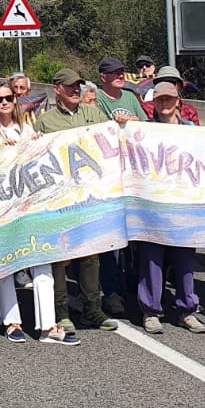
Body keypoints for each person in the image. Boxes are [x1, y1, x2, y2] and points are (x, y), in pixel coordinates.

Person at [0, 81, 77, 345]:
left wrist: (36, 143)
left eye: (8, 98)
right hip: (3, 208)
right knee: (6, 266)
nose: (3, 103)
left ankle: (48, 325)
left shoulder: (27, 128)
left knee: (41, 261)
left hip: (32, 206)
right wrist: (0, 150)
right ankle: (12, 321)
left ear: (15, 100)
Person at [35, 67, 116, 332]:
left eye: (78, 86)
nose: (75, 90)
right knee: (61, 254)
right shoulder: (46, 121)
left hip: (90, 196)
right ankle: (61, 310)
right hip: (60, 199)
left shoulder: (93, 114)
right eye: (70, 86)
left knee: (91, 254)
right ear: (57, 89)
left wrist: (122, 125)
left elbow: (112, 138)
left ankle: (93, 307)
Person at [138, 75, 205, 335]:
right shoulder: (144, 130)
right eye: (159, 99)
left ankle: (187, 310)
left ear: (178, 101)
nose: (164, 103)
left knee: (185, 260)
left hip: (184, 206)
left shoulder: (192, 130)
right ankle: (151, 311)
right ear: (154, 103)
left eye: (168, 98)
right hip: (152, 207)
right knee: (152, 261)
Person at [95, 57, 145, 124]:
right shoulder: (95, 97)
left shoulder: (130, 96)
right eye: (116, 73)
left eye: (122, 72)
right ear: (103, 77)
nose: (121, 76)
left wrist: (134, 120)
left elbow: (145, 122)